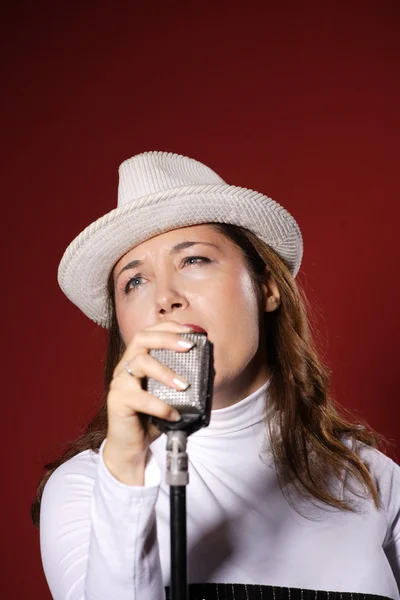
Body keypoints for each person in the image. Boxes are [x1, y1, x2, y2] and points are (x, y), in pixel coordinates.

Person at [32, 152, 400, 600]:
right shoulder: (87, 490)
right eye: (134, 282)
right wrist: (127, 471)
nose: (165, 298)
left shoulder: (374, 482)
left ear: (266, 287)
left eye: (194, 261)